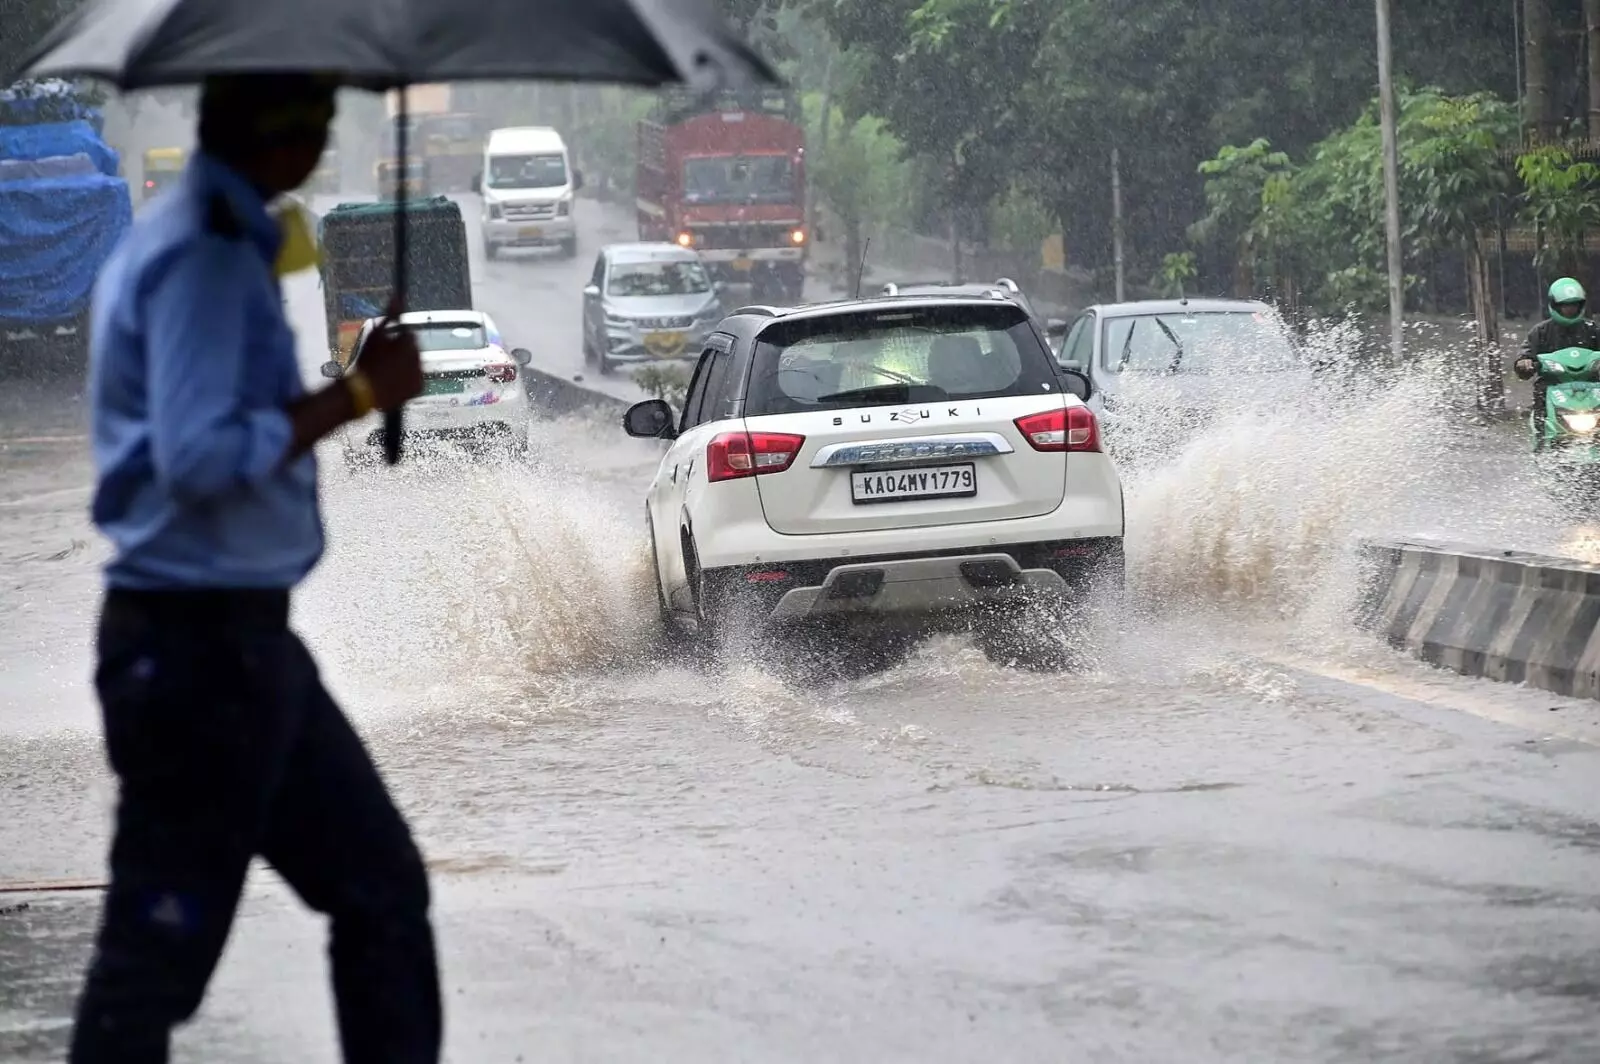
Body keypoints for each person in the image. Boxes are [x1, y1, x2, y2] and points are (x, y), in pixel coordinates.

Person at [70, 74, 440, 1064]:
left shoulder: (207, 238)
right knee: (150, 963)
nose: (319, 148)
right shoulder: (201, 256)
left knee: (380, 885)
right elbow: (197, 457)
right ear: (282, 138)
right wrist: (363, 391)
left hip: (240, 647)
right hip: (198, 657)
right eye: (315, 126)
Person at [1515, 277, 1600, 447]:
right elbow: (1525, 355)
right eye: (1565, 305)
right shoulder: (1540, 332)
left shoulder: (1593, 330)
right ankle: (1542, 442)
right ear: (1555, 305)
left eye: (1574, 305)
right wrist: (1524, 363)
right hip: (1552, 385)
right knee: (1540, 395)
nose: (1570, 309)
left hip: (1591, 385)